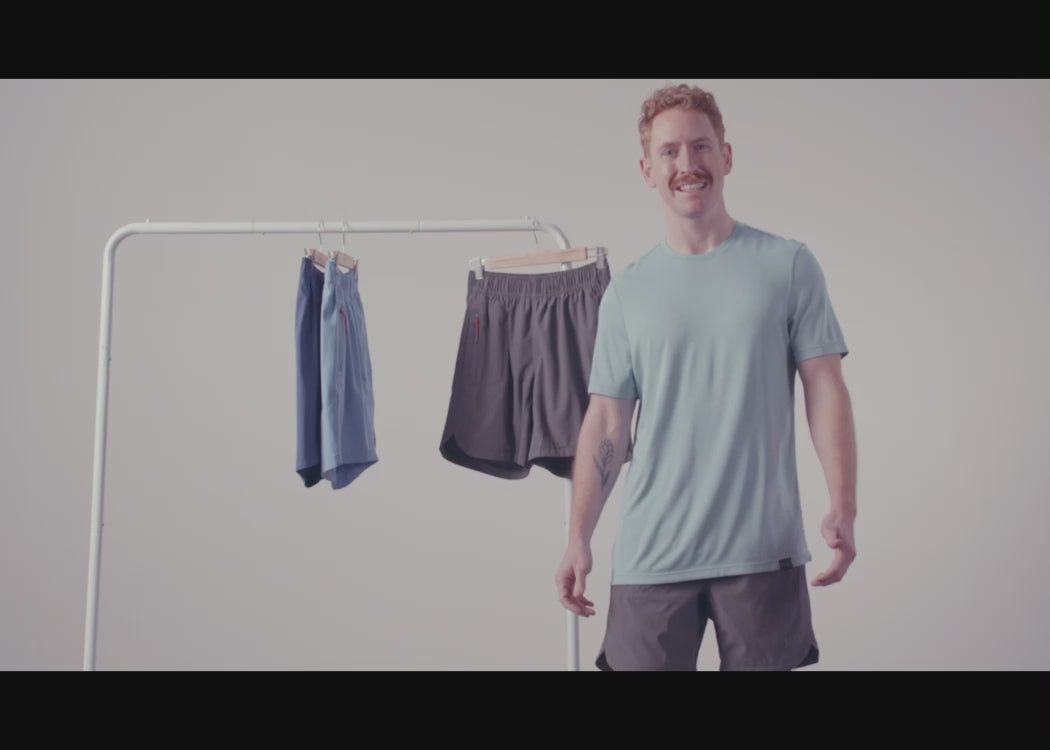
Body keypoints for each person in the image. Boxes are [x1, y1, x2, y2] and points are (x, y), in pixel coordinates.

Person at [555, 83, 857, 671]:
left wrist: (843, 505)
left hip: (762, 552)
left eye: (700, 147)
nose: (687, 165)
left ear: (726, 155)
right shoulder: (627, 292)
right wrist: (578, 536)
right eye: (669, 152)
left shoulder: (787, 265)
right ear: (647, 169)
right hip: (652, 555)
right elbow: (608, 421)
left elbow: (825, 387)